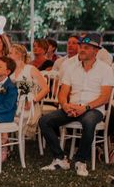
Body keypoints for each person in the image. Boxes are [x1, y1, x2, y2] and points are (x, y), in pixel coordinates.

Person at [39, 35, 114, 177]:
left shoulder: (105, 69)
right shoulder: (71, 67)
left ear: (96, 51)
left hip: (93, 109)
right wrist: (65, 105)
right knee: (44, 121)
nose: (82, 49)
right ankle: (60, 158)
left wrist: (84, 108)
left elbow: (104, 97)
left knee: (89, 121)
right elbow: (63, 92)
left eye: (86, 47)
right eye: (81, 47)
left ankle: (80, 161)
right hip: (72, 107)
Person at [9, 44, 49, 139]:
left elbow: (46, 89)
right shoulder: (10, 70)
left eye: (10, 53)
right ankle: (3, 143)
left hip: (29, 104)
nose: (8, 55)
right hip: (12, 103)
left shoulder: (31, 69)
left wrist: (33, 101)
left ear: (19, 55)